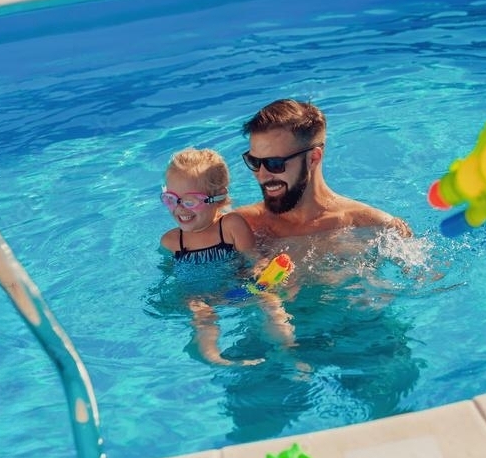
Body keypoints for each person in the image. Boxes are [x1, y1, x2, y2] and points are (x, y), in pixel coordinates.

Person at [160, 147, 293, 365]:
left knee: (270, 300)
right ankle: (213, 356)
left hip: (238, 288)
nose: (179, 209)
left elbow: (254, 258)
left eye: (189, 201)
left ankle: (287, 347)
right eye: (171, 199)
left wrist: (262, 270)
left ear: (218, 199)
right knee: (202, 314)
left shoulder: (230, 226)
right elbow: (169, 276)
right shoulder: (171, 242)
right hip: (200, 296)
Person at [235, 99, 412, 239]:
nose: (261, 174)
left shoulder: (374, 227)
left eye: (274, 163)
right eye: (254, 161)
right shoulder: (242, 226)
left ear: (313, 158)